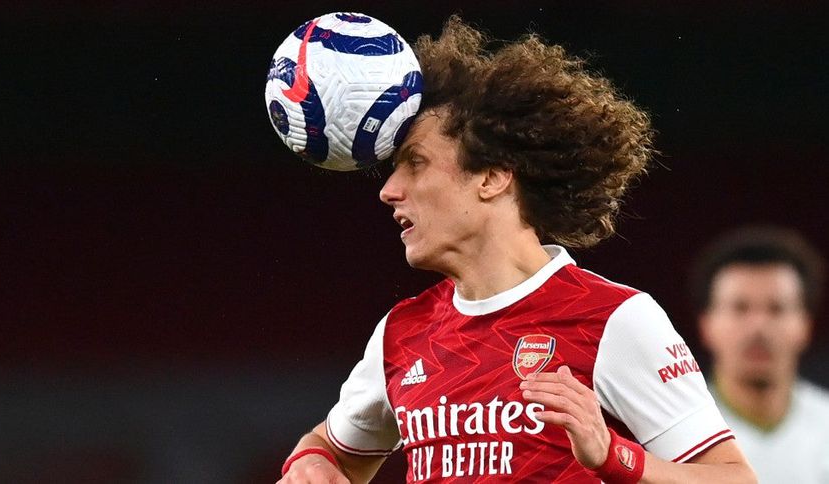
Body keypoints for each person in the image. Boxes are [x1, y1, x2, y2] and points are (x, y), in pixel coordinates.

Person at [279, 17, 756, 483]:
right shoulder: (400, 333)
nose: (389, 191)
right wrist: (309, 461)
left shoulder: (613, 319)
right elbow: (330, 452)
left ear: (492, 177)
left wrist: (614, 456)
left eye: (415, 163)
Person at [694, 226, 829, 484]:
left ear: (805, 325)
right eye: (740, 308)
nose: (758, 327)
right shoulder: (676, 435)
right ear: (707, 325)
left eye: (776, 309)